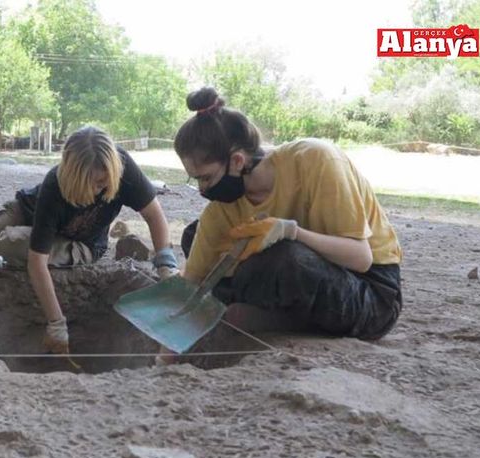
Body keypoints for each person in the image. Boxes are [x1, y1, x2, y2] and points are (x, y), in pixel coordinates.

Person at [164, 87, 402, 364]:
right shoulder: (222, 208)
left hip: (370, 293)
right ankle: (282, 315)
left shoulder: (318, 160)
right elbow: (193, 283)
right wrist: (165, 356)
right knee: (197, 236)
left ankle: (279, 316)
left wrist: (293, 231)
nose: (203, 190)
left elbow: (361, 258)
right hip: (302, 278)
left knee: (286, 258)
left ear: (237, 161)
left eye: (206, 178)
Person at [0, 126, 179, 354]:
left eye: (103, 183)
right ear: (72, 175)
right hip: (29, 213)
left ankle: (3, 248)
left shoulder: (122, 167)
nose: (98, 190)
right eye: (91, 183)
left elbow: (154, 215)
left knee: (10, 244)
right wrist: (57, 323)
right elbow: (38, 263)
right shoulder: (55, 184)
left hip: (81, 243)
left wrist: (166, 264)